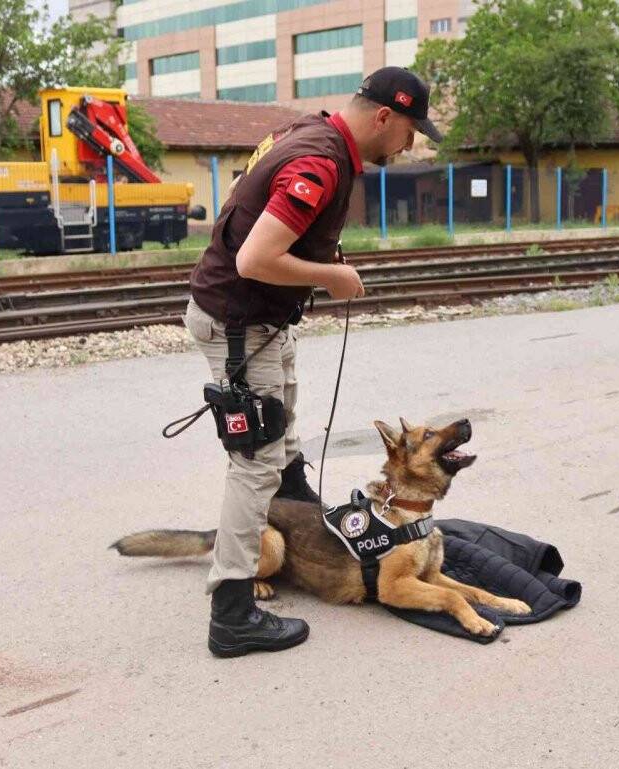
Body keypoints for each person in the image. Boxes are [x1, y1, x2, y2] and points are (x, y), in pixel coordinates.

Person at [183, 67, 443, 658]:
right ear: (384, 117)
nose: (409, 147)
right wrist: (333, 276)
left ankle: (307, 537)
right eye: (409, 132)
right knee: (256, 464)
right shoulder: (321, 162)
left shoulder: (309, 133)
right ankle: (232, 613)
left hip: (257, 322)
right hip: (240, 324)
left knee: (285, 445)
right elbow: (254, 258)